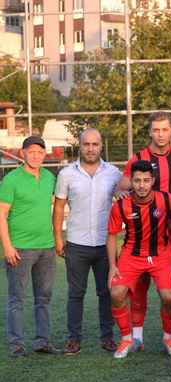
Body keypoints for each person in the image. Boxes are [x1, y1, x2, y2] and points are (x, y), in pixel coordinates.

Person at [114, 111, 171, 352]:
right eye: (156, 130)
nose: (160, 134)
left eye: (165, 130)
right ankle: (137, 337)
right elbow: (120, 188)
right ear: (150, 132)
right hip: (144, 233)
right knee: (140, 284)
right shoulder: (138, 158)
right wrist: (120, 194)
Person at [53, 128, 122, 354]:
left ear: (101, 146)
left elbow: (127, 194)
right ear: (79, 146)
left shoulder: (113, 173)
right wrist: (58, 237)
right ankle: (74, 340)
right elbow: (59, 207)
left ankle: (108, 338)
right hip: (76, 244)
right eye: (86, 144)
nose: (90, 148)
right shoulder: (66, 174)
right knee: (75, 294)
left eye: (95, 144)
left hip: (105, 244)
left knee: (107, 292)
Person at [0, 136, 61, 358]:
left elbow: (60, 202)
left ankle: (42, 341)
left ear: (44, 154)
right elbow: (1, 214)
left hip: (46, 248)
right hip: (20, 249)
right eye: (31, 151)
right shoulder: (11, 179)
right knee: (17, 299)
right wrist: (7, 246)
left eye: (40, 152)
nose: (36, 155)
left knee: (44, 299)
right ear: (23, 153)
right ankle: (16, 344)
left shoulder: (49, 177)